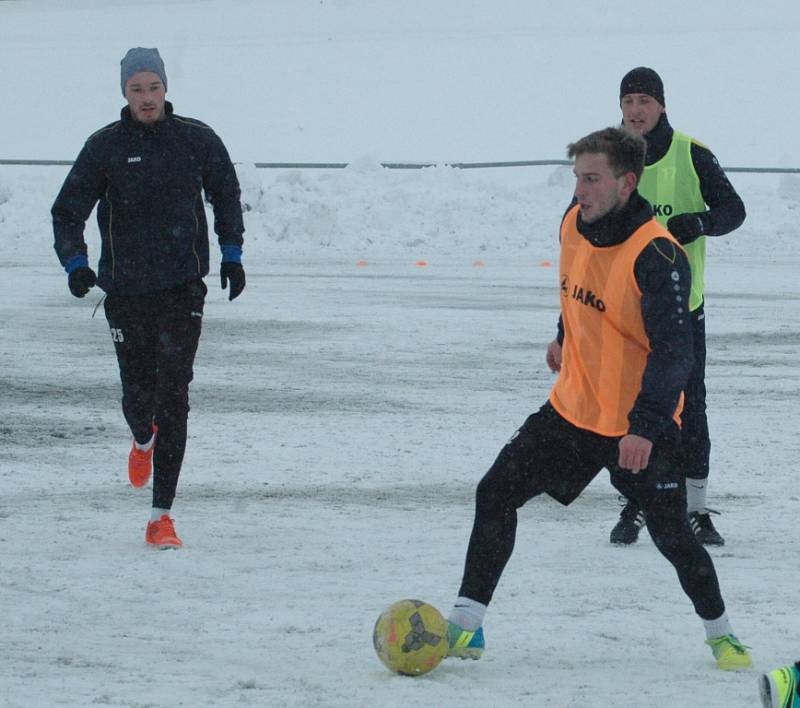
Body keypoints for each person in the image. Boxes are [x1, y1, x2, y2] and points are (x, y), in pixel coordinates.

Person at [444, 127, 751, 671]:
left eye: (592, 179)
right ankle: (467, 627)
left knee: (672, 534)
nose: (580, 190)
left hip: (638, 427)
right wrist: (562, 332)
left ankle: (722, 636)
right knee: (494, 492)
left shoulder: (658, 253)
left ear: (627, 182)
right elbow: (576, 283)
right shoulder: (571, 223)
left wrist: (646, 427)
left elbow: (673, 354)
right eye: (577, 178)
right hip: (571, 412)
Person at [52, 47, 245, 548]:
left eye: (153, 88)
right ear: (124, 92)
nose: (146, 98)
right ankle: (142, 438)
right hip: (127, 292)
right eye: (137, 89)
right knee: (138, 400)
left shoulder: (195, 139)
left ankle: (161, 517)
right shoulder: (105, 147)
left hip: (182, 291)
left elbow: (225, 191)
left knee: (174, 397)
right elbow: (66, 211)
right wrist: (75, 265)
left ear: (165, 89)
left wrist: (232, 253)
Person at [609, 67, 746, 547]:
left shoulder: (692, 153)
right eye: (628, 101)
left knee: (691, 410)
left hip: (684, 309)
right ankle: (637, 502)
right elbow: (586, 226)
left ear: (661, 105)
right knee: (632, 409)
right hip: (627, 311)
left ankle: (696, 509)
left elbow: (735, 210)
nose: (636, 110)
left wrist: (699, 222)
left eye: (645, 100)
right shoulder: (610, 159)